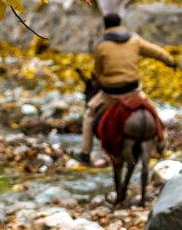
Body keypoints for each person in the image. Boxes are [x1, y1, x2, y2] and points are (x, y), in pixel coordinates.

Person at [75, 13, 176, 165]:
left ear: (105, 26)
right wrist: (171, 62)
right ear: (120, 23)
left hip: (110, 94)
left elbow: (99, 71)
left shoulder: (100, 45)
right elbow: (156, 52)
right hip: (133, 91)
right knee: (152, 111)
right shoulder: (134, 40)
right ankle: (162, 142)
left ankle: (85, 153)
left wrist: (104, 81)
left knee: (89, 114)